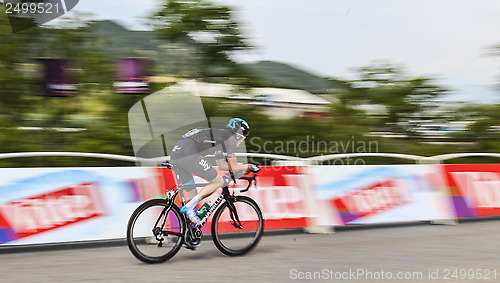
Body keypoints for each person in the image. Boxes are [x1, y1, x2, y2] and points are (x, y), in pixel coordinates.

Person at [170, 118, 260, 224]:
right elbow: (234, 167)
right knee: (218, 182)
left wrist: (239, 167)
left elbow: (222, 165)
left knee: (192, 198)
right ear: (238, 134)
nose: (240, 142)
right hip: (189, 155)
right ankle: (189, 208)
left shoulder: (220, 138)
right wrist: (249, 167)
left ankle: (184, 233)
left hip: (176, 155)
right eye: (242, 139)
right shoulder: (229, 139)